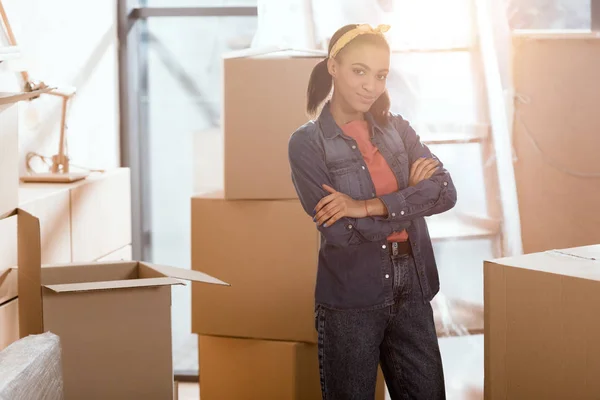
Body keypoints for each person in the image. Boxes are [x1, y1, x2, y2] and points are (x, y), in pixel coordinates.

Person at [288, 23, 457, 400]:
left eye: (380, 75)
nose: (371, 86)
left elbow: (445, 192)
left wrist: (363, 206)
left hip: (413, 286)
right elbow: (340, 234)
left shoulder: (398, 129)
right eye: (359, 71)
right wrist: (410, 200)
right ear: (334, 67)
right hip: (351, 298)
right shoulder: (307, 144)